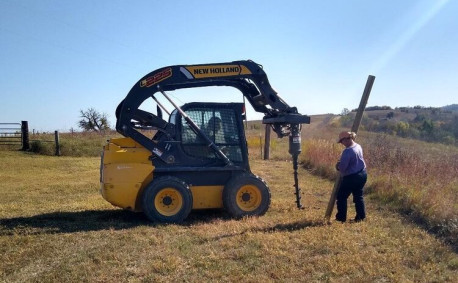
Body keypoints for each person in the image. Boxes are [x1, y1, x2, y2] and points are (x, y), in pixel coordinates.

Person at [335, 131, 367, 222]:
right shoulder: (358, 146)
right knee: (358, 196)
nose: (341, 144)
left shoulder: (347, 151)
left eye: (341, 141)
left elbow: (342, 168)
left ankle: (340, 218)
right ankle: (361, 217)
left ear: (346, 139)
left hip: (352, 178)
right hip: (363, 174)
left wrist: (337, 166)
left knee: (341, 197)